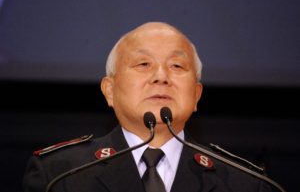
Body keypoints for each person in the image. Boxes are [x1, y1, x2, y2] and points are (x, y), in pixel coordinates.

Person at [23, 22, 275, 192]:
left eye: (177, 66)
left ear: (196, 95)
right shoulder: (60, 175)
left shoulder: (245, 182)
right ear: (109, 91)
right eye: (143, 64)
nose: (161, 76)